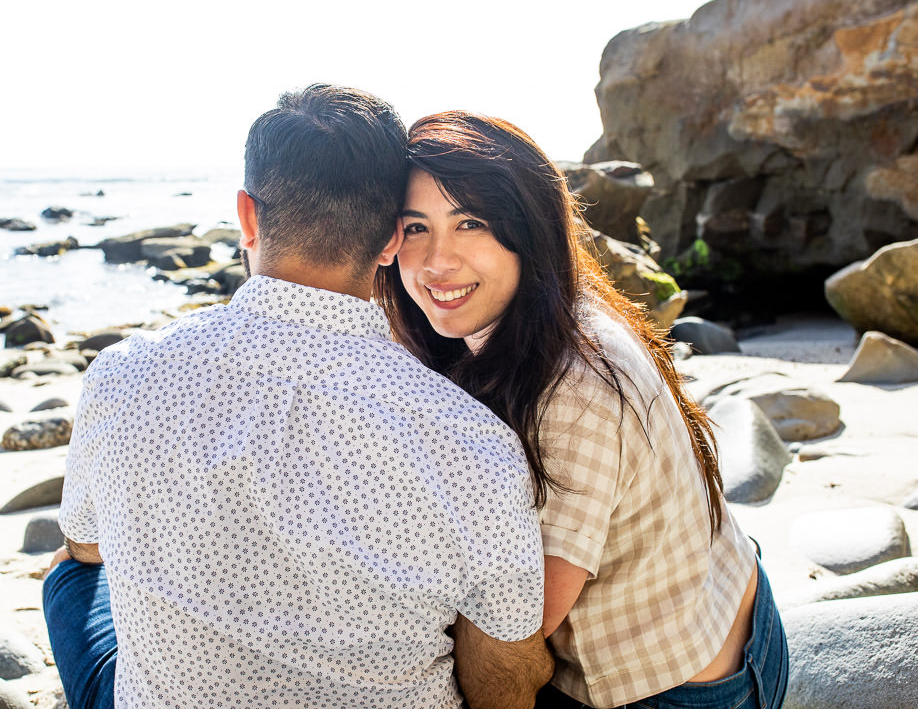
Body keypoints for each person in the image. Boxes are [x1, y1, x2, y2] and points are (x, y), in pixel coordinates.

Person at [43, 86, 553, 709]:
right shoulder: (472, 441)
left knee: (70, 578)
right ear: (393, 240)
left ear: (248, 217)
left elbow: (86, 544)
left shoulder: (122, 375)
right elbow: (504, 679)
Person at [374, 111, 788, 709]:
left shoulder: (577, 385)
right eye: (415, 228)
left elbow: (515, 624)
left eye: (471, 223)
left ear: (530, 228)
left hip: (686, 687)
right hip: (720, 602)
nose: (438, 261)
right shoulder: (531, 314)